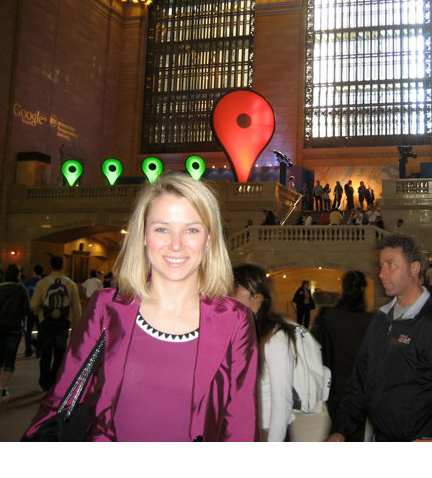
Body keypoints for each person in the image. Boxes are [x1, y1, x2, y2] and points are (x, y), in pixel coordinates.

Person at [23, 172, 258, 441]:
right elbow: (60, 399)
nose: (177, 244)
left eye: (191, 229)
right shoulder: (105, 309)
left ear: (208, 238)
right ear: (144, 235)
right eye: (162, 229)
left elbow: (241, 424)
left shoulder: (235, 320)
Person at [326, 234, 432, 442]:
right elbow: (360, 381)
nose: (381, 273)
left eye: (391, 265)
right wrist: (340, 429)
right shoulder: (380, 320)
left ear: (414, 268)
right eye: (381, 265)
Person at [230, 263, 297, 441]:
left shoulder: (275, 337)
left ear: (257, 296)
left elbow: (281, 399)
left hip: (266, 429)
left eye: (236, 286)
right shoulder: (237, 330)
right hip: (238, 428)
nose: (229, 291)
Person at [311, 270, 373, 442]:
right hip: (360, 386)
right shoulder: (370, 321)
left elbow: (315, 346)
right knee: (354, 431)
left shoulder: (327, 315)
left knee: (337, 428)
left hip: (334, 386)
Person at [30, 255, 82, 391]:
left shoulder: (42, 283)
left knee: (45, 353)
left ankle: (44, 381)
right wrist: (76, 326)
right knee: (59, 353)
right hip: (63, 324)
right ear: (63, 266)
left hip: (46, 323)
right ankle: (54, 380)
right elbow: (77, 308)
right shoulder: (70, 284)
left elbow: (34, 305)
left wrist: (41, 315)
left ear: (51, 266)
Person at [0, 264, 30, 399]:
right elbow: (26, 310)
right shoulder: (21, 289)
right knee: (9, 359)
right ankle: (2, 388)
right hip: (14, 328)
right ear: (18, 275)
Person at [22, 264, 45, 357]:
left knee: (28, 330)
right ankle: (39, 351)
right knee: (40, 330)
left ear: (33, 271)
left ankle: (28, 350)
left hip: (29, 309)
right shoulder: (43, 283)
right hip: (39, 310)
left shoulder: (27, 283)